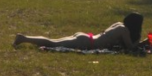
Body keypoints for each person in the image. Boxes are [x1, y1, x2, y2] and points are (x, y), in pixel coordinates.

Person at [13, 13, 144, 51]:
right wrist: (141, 41)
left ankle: (24, 38)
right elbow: (130, 48)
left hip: (87, 36)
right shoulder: (124, 31)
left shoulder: (119, 24)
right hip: (87, 42)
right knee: (52, 43)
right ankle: (23, 38)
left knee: (54, 41)